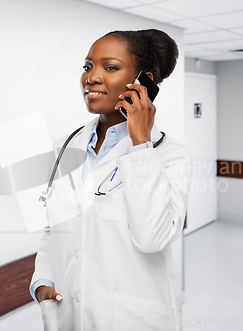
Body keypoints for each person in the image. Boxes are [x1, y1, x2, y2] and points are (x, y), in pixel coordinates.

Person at [30, 29, 192, 330]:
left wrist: (140, 143)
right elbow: (54, 230)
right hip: (68, 314)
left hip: (131, 319)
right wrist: (42, 281)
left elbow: (152, 238)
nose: (91, 77)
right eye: (88, 66)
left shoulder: (169, 156)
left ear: (144, 83)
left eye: (111, 67)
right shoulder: (65, 148)